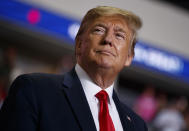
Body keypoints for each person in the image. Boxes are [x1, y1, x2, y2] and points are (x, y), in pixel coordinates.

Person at [0, 6, 147, 131]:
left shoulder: (138, 126)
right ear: (79, 44)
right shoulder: (34, 90)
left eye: (119, 35)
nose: (108, 39)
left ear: (129, 57)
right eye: (99, 30)